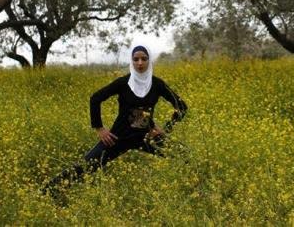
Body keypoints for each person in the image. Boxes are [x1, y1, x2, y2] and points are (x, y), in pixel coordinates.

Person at [42, 44, 188, 197]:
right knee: (85, 166)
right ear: (131, 61)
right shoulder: (124, 82)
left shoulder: (157, 84)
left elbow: (182, 106)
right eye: (136, 59)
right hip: (118, 138)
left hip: (146, 137)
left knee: (184, 155)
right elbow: (95, 99)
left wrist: (166, 129)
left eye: (144, 59)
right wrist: (100, 128)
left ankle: (191, 186)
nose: (139, 63)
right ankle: (46, 193)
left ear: (149, 60)